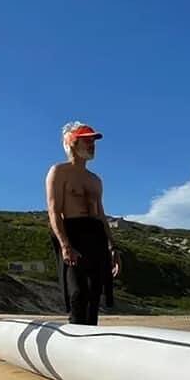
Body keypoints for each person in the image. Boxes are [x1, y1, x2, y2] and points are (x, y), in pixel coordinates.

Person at [45, 122, 120, 325]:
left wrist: (112, 246)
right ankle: (74, 335)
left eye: (93, 141)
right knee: (78, 292)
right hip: (72, 231)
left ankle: (89, 338)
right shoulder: (59, 171)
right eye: (86, 141)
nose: (92, 145)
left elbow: (101, 214)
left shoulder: (95, 180)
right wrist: (65, 245)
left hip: (95, 234)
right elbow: (54, 210)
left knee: (95, 293)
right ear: (72, 143)